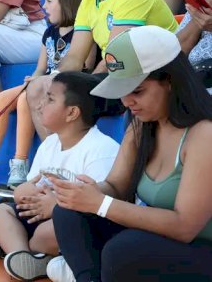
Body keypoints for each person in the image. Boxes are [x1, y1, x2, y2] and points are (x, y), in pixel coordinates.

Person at [49, 26, 212, 282]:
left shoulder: (204, 134)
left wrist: (100, 203)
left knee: (126, 249)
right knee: (68, 213)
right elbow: (117, 187)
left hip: (202, 249)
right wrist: (83, 193)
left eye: (137, 91)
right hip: (169, 243)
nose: (127, 102)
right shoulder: (142, 126)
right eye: (122, 91)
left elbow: (185, 227)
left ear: (170, 81)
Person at [26, 0, 178, 137]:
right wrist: (55, 79)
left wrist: (75, 86)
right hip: (123, 74)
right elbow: (75, 57)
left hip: (155, 74)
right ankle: (55, 160)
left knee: (60, 93)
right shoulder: (88, 1)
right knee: (39, 87)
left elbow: (115, 57)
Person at [0, 72, 119, 282]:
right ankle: (21, 255)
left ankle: (17, 248)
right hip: (38, 213)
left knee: (50, 231)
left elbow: (98, 208)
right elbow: (31, 183)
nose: (40, 104)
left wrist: (55, 206)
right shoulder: (49, 144)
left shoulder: (101, 149)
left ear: (72, 113)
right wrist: (23, 192)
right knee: (0, 212)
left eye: (50, 99)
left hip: (72, 222)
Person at [0, 0, 92, 186]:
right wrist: (35, 78)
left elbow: (85, 67)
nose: (44, 6)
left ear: (66, 3)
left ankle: (20, 163)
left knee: (24, 99)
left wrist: (41, 82)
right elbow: (40, 67)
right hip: (43, 84)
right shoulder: (49, 32)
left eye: (49, 1)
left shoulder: (83, 32)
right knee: (2, 97)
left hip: (65, 87)